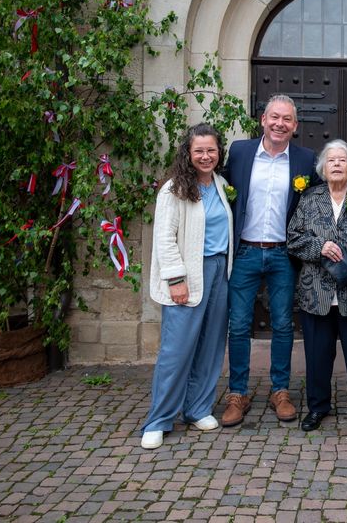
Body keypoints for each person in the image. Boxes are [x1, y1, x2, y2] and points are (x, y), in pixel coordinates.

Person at [221, 94, 319, 426]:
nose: (280, 124)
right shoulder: (239, 152)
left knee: (281, 325)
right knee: (238, 326)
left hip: (283, 254)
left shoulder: (306, 160)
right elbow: (215, 185)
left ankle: (281, 391)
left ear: (295, 125)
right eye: (274, 117)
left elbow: (319, 205)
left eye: (287, 119)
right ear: (263, 119)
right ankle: (237, 393)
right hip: (246, 251)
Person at [141, 123, 234, 450]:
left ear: (218, 152)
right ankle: (159, 419)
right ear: (188, 153)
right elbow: (164, 239)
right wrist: (176, 279)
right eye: (199, 151)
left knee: (210, 346)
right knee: (176, 350)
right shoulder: (174, 189)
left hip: (220, 270)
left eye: (211, 150)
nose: (206, 156)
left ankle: (197, 408)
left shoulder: (222, 185)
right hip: (189, 273)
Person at [287, 139, 347, 432]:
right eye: (331, 160)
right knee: (317, 354)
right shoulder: (310, 198)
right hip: (317, 292)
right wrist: (320, 246)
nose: (337, 164)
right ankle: (317, 406)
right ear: (323, 168)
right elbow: (293, 239)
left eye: (342, 160)